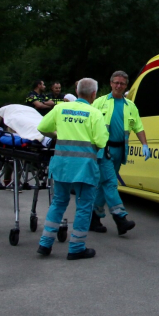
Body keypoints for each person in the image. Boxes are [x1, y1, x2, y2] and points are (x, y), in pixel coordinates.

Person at [36, 78, 109, 260]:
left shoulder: (60, 108)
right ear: (94, 94)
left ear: (77, 92)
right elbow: (101, 141)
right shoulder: (94, 113)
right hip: (85, 167)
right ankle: (76, 247)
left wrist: (57, 134)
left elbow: (42, 127)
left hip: (62, 165)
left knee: (59, 202)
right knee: (84, 206)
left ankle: (45, 244)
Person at [89, 70, 149, 235]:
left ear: (126, 86)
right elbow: (88, 123)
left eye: (122, 83)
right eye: (116, 82)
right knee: (110, 183)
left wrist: (145, 144)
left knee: (103, 184)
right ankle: (120, 218)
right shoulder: (100, 102)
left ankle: (93, 218)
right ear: (110, 83)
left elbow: (138, 127)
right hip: (103, 150)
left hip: (120, 150)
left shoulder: (130, 106)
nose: (118, 86)